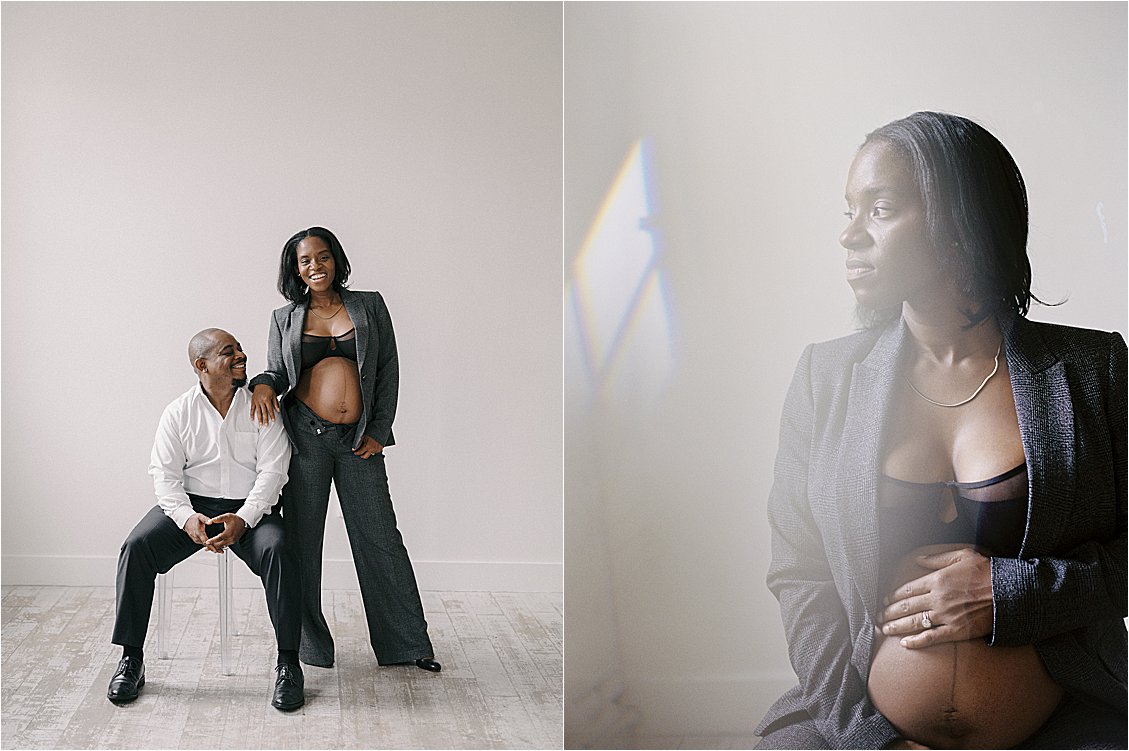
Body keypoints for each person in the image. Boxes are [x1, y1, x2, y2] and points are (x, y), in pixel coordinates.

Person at [755, 112, 1126, 749]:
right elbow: (800, 571)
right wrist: (868, 737)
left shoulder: (1093, 371)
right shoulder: (825, 379)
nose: (850, 235)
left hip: (1066, 724)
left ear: (960, 221)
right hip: (857, 724)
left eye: (880, 208)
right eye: (848, 209)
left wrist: (1006, 594)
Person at [248, 227, 439, 673]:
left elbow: (388, 368)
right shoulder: (284, 318)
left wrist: (379, 429)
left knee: (381, 539)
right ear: (294, 269)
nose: (315, 266)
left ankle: (408, 645)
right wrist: (261, 382)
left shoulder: (369, 305)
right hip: (305, 439)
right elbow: (280, 372)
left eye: (323, 256)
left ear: (336, 260)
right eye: (305, 261)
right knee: (300, 543)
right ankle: (305, 651)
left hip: (359, 442)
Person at [108, 329, 305, 711]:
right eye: (228, 353)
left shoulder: (261, 406)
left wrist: (244, 519)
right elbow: (164, 475)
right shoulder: (178, 412)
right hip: (192, 507)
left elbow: (273, 473)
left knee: (280, 551)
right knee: (136, 548)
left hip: (252, 509)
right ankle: (131, 659)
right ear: (202, 365)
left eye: (240, 350)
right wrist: (186, 519)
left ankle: (288, 664)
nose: (241, 356)